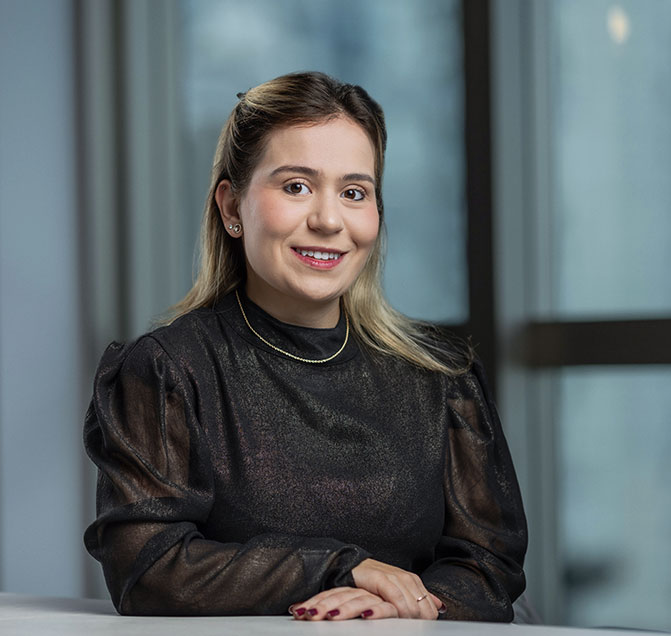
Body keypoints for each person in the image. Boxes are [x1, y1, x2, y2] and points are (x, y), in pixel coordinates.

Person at [83, 71, 528, 622]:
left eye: (353, 192)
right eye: (296, 186)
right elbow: (149, 570)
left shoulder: (439, 376)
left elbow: (490, 565)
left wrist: (387, 606)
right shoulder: (167, 370)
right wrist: (342, 569)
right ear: (231, 207)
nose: (328, 219)